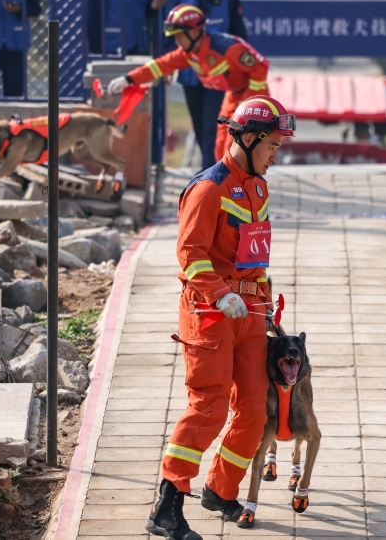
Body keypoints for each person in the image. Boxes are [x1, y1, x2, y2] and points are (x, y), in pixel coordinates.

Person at [145, 95, 296, 540]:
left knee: (253, 410)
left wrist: (265, 309)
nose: (275, 155)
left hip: (249, 316)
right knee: (207, 409)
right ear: (248, 139)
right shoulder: (207, 188)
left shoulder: (259, 186)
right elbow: (190, 255)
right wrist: (220, 293)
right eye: (271, 146)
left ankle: (219, 490)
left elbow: (256, 256)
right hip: (210, 315)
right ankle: (167, 505)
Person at [122, 4, 270, 163]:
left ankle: (239, 185)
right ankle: (224, 183)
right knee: (220, 147)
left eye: (179, 36)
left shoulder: (226, 48)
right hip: (234, 94)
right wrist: (128, 79)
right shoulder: (189, 53)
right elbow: (160, 65)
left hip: (253, 95)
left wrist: (247, 104)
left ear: (194, 32)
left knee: (235, 148)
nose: (176, 41)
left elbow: (260, 68)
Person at [173, 0, 248, 170]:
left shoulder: (229, 0)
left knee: (211, 127)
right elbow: (173, 38)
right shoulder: (183, 0)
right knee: (199, 128)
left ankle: (211, 175)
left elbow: (239, 39)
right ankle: (212, 170)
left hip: (219, 79)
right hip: (191, 76)